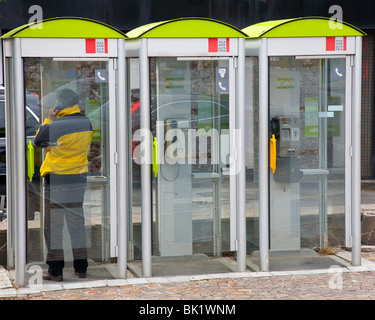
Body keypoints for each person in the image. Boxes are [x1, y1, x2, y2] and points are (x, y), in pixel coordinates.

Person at [34, 88, 93, 281]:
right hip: (78, 177)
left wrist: (50, 119)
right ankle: (81, 267)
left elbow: (38, 140)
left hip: (57, 178)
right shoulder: (85, 122)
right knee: (76, 223)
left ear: (60, 104)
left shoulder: (59, 123)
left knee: (54, 225)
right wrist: (56, 145)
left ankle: (55, 270)